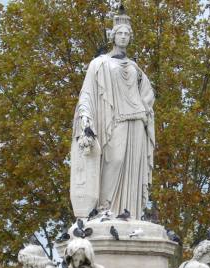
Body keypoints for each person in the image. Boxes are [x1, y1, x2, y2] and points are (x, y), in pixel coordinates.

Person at [71, 6, 155, 219]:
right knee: (114, 161)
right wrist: (85, 119)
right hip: (115, 121)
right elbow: (87, 94)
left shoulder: (135, 68)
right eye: (120, 33)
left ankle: (130, 214)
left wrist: (144, 109)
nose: (124, 37)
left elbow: (147, 94)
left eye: (127, 34)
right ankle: (105, 208)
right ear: (113, 36)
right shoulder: (99, 64)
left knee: (133, 170)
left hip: (136, 122)